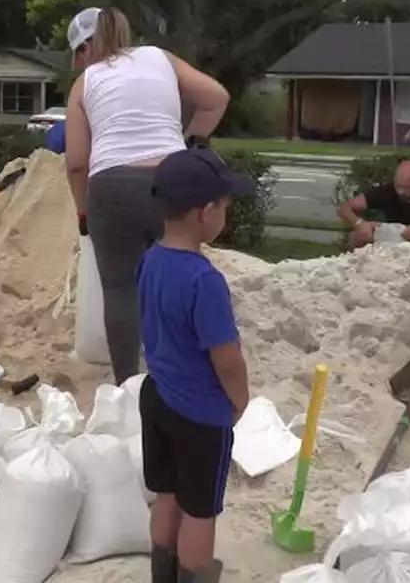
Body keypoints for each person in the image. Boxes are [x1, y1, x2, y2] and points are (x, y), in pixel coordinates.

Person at [64, 5, 230, 386]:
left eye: (77, 53)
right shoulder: (161, 58)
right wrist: (187, 145)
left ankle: (128, 388)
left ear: (89, 47)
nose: (76, 64)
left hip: (110, 186)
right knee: (178, 276)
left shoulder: (85, 83)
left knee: (120, 290)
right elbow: (217, 98)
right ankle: (180, 374)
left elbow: (76, 163)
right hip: (169, 182)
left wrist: (83, 212)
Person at [138, 147, 253, 583]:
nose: (226, 214)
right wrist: (239, 400)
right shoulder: (205, 280)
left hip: (157, 396)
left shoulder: (150, 259)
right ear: (206, 212)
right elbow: (226, 356)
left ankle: (162, 572)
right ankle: (195, 573)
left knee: (167, 494)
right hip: (200, 412)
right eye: (225, 206)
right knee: (200, 509)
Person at [338, 159, 410, 248]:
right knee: (357, 235)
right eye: (398, 186)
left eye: (407, 187)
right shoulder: (387, 191)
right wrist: (360, 223)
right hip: (393, 241)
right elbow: (345, 207)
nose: (401, 191)